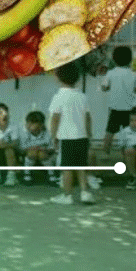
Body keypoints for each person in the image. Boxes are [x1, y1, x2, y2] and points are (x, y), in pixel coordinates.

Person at [49, 62, 95, 205]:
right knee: (81, 166)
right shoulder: (82, 96)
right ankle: (85, 192)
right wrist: (89, 134)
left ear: (58, 77)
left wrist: (54, 136)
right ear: (77, 78)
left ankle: (67, 196)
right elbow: (88, 118)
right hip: (82, 137)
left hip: (66, 137)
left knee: (67, 167)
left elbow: (55, 119)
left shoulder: (58, 97)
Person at [101, 46, 136, 154]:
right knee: (129, 133)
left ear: (113, 59)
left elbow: (104, 87)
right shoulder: (133, 74)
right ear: (130, 59)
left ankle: (105, 152)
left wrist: (109, 87)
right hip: (129, 109)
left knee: (110, 131)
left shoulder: (111, 73)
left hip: (115, 108)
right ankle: (127, 153)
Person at [0, 103, 22, 186]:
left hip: (13, 153)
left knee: (9, 150)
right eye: (0, 113)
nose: (4, 115)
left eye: (5, 112)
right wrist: (2, 144)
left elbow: (15, 143)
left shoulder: (13, 126)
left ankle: (11, 176)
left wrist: (4, 145)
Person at [20, 111, 57, 185]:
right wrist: (31, 148)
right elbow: (22, 148)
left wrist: (44, 149)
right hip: (30, 154)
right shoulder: (24, 133)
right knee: (32, 153)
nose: (29, 125)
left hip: (45, 155)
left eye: (32, 123)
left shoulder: (47, 133)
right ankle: (27, 175)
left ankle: (51, 175)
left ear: (41, 125)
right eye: (28, 123)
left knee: (41, 154)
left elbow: (52, 148)